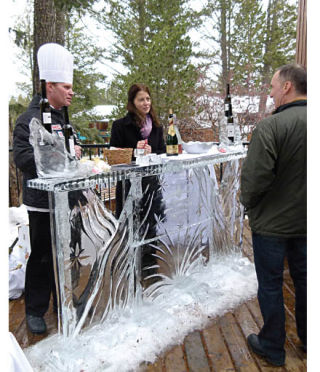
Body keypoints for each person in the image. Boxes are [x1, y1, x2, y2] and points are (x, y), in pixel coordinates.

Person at [240, 63, 306, 366]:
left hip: (272, 226)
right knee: (307, 282)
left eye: (272, 86)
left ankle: (272, 346)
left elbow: (255, 181)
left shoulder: (271, 127)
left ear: (288, 87)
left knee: (270, 283)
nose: (271, 92)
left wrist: (249, 205)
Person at [13, 43, 82, 334]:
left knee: (68, 252)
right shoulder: (28, 120)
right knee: (41, 255)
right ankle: (35, 310)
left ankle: (65, 300)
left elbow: (68, 153)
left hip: (67, 200)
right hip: (42, 202)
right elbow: (22, 157)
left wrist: (75, 151)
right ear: (49, 86)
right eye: (65, 87)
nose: (71, 92)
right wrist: (58, 158)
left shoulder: (64, 119)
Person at [110, 83, 166, 280]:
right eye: (141, 99)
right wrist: (136, 151)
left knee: (151, 226)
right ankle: (128, 269)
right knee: (129, 228)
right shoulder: (120, 126)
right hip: (128, 187)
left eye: (148, 99)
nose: (146, 103)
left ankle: (150, 268)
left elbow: (163, 152)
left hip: (151, 185)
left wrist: (153, 153)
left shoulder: (157, 126)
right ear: (132, 102)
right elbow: (114, 155)